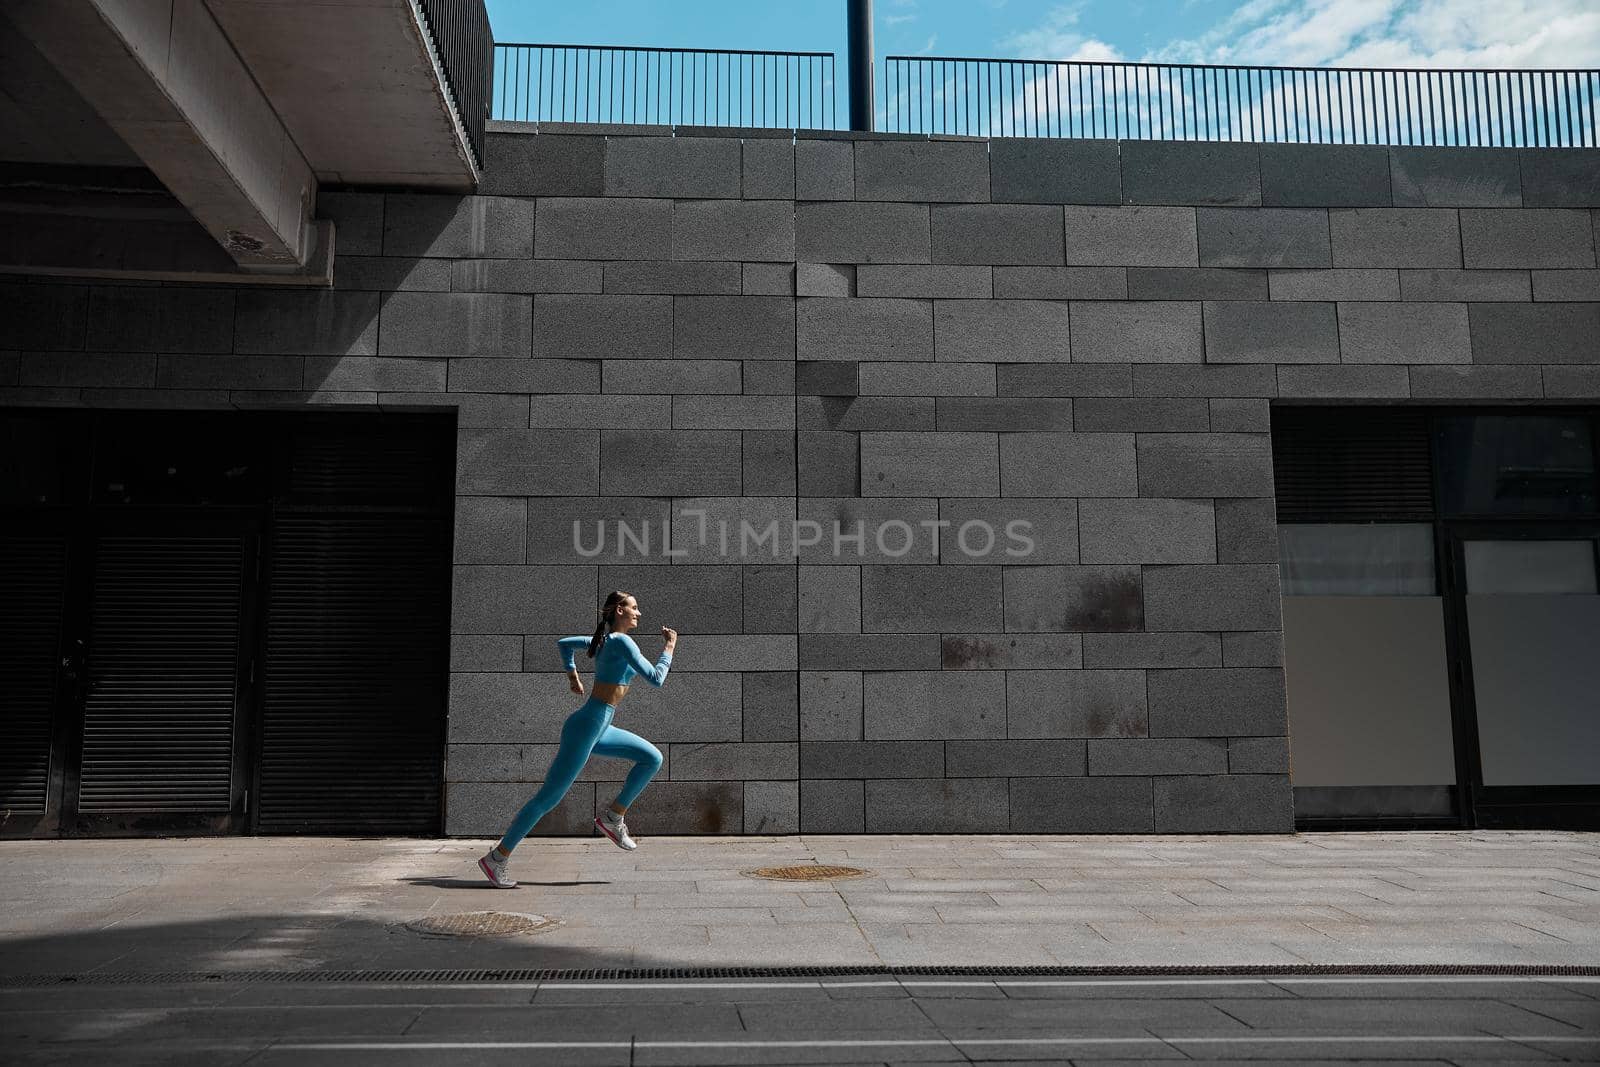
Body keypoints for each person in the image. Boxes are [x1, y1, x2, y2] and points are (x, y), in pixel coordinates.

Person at [478, 590, 677, 889]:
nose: (639, 613)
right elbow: (656, 678)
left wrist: (573, 676)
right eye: (634, 608)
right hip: (588, 726)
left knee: (653, 758)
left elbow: (564, 644)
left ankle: (614, 817)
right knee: (548, 798)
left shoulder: (605, 641)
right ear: (619, 611)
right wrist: (670, 646)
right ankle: (497, 857)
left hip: (599, 726)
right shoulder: (621, 641)